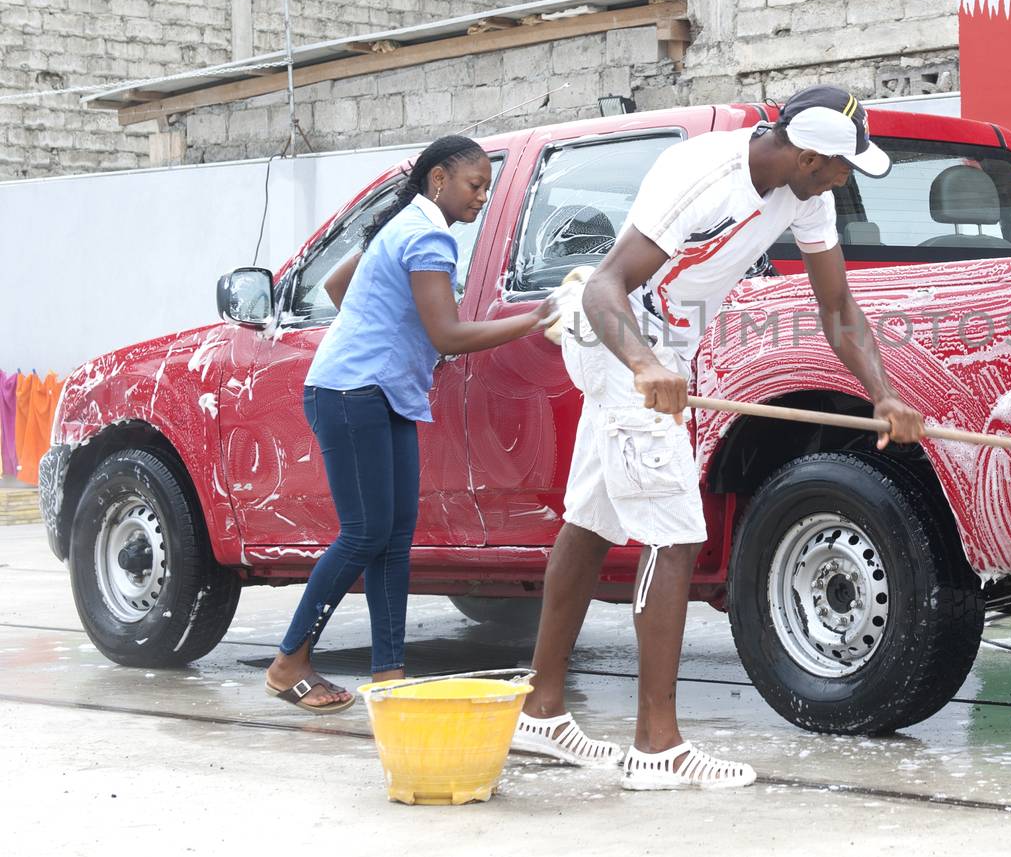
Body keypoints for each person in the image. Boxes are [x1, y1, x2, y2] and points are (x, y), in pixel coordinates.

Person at [515, 87, 926, 789]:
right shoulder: (699, 176)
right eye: (838, 165)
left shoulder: (807, 193)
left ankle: (541, 709)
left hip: (660, 357)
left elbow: (838, 309)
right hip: (624, 344)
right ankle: (657, 745)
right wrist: (647, 366)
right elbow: (604, 288)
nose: (844, 179)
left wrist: (883, 394)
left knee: (592, 518)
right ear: (805, 152)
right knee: (674, 534)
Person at [265, 135, 554, 713]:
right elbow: (448, 334)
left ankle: (390, 672)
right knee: (366, 534)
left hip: (377, 391)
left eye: (486, 189)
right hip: (354, 392)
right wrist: (533, 320)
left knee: (394, 537)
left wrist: (387, 331)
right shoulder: (426, 234)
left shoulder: (401, 225)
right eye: (475, 186)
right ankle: (288, 661)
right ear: (438, 180)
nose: (481, 199)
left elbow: (340, 287)